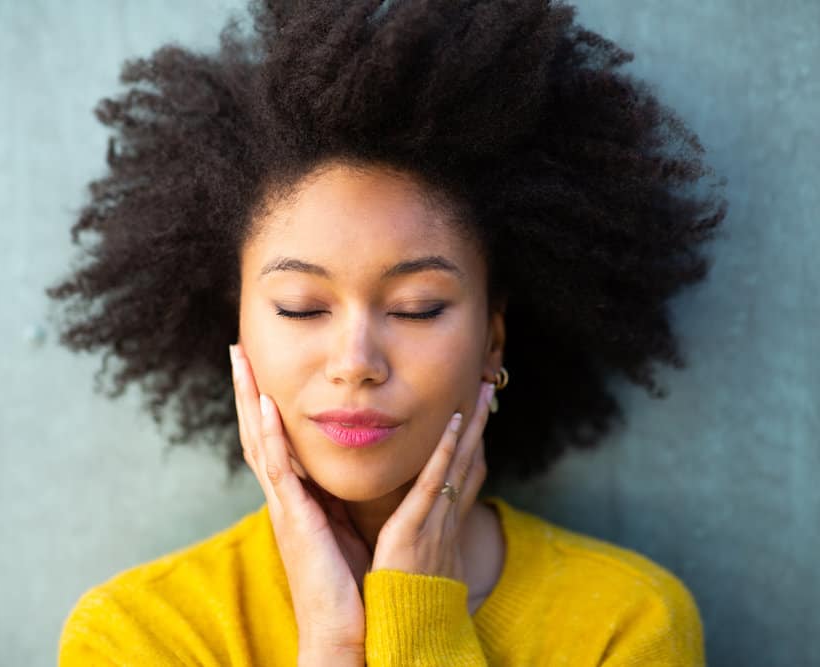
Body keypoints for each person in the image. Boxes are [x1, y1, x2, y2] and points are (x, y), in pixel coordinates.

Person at [49, 0, 727, 664]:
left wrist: (421, 626)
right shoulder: (138, 637)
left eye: (417, 307)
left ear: (494, 338)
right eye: (300, 306)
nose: (356, 361)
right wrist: (330, 646)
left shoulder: (624, 623)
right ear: (238, 331)